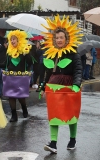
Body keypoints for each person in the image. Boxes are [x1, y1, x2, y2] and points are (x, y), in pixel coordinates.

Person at [40, 15, 82, 154]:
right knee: (54, 115)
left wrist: (76, 84)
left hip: (69, 87)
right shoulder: (51, 54)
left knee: (71, 114)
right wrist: (42, 87)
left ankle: (73, 139)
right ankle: (53, 143)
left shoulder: (74, 53)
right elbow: (47, 73)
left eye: (61, 37)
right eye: (57, 37)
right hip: (53, 88)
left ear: (67, 38)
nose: (59, 40)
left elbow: (78, 70)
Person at [0, 30, 33, 122]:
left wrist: (27, 54)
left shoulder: (24, 51)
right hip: (10, 77)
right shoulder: (9, 53)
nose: (12, 41)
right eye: (11, 39)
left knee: (21, 97)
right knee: (11, 96)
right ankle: (14, 115)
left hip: (20, 78)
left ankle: (24, 108)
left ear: (19, 40)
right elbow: (5, 64)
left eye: (14, 39)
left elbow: (30, 63)